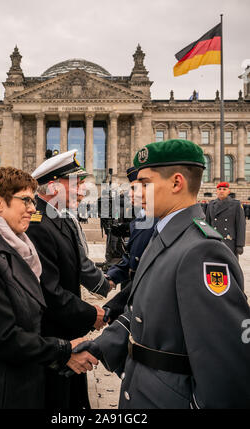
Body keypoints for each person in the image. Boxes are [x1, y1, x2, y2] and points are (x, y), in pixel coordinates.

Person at [74, 139, 250, 409]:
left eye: (144, 183)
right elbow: (141, 311)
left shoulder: (202, 252)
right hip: (143, 389)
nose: (136, 192)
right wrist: (100, 346)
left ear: (176, 183)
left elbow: (224, 363)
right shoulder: (164, 235)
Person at [0, 166, 97, 409]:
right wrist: (63, 350)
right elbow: (4, 337)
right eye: (26, 200)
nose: (33, 207)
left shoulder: (17, 246)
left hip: (19, 384)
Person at [27, 150, 108, 409]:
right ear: (52, 186)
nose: (83, 188)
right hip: (51, 337)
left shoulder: (56, 217)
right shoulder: (39, 223)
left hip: (65, 331)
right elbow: (48, 290)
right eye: (76, 182)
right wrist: (90, 314)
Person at [103, 167, 158, 323]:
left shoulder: (155, 220)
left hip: (143, 303)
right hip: (133, 296)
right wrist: (110, 278)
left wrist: (111, 309)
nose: (130, 194)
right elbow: (130, 257)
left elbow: (145, 275)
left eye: (136, 188)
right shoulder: (142, 218)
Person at [205, 181, 246, 258]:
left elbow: (241, 225)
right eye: (219, 189)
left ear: (228, 191)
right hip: (214, 241)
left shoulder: (236, 204)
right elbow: (207, 224)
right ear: (216, 191)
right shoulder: (211, 204)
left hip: (229, 242)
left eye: (224, 189)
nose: (221, 191)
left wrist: (240, 245)